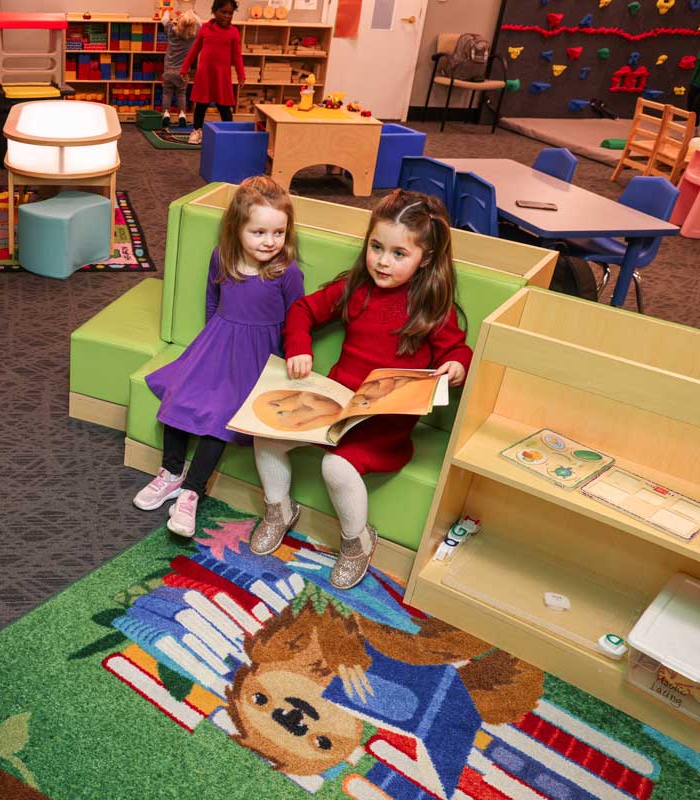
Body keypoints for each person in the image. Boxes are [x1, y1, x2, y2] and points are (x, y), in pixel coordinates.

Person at [250, 190, 471, 590]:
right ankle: (278, 509)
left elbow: (457, 350)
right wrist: (299, 346)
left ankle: (357, 542)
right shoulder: (356, 287)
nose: (383, 261)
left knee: (335, 467)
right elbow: (303, 310)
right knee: (265, 435)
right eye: (376, 247)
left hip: (384, 422)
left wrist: (456, 366)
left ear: (426, 259)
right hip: (335, 405)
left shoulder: (431, 305)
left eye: (399, 254)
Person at [135, 176, 305, 536]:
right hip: (215, 345)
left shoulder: (286, 272)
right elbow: (213, 300)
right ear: (237, 228)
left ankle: (192, 491)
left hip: (256, 359)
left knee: (222, 416)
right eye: (258, 232)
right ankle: (171, 472)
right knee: (179, 393)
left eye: (278, 233)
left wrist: (291, 362)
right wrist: (208, 341)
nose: (269, 241)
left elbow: (298, 318)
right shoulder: (222, 257)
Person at [181, 0, 245, 145]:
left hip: (222, 77)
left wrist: (241, 75)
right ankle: (197, 131)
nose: (227, 16)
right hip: (205, 75)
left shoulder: (234, 33)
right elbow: (195, 50)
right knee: (201, 105)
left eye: (230, 13)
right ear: (215, 11)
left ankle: (229, 134)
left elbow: (237, 56)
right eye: (224, 12)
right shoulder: (205, 28)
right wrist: (185, 67)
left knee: (224, 106)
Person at [162, 9, 200, 129]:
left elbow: (164, 19)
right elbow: (199, 22)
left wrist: (167, 12)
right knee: (181, 93)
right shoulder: (193, 35)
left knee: (167, 93)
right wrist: (191, 12)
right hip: (183, 72)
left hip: (168, 70)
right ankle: (182, 115)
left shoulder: (171, 32)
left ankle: (165, 114)